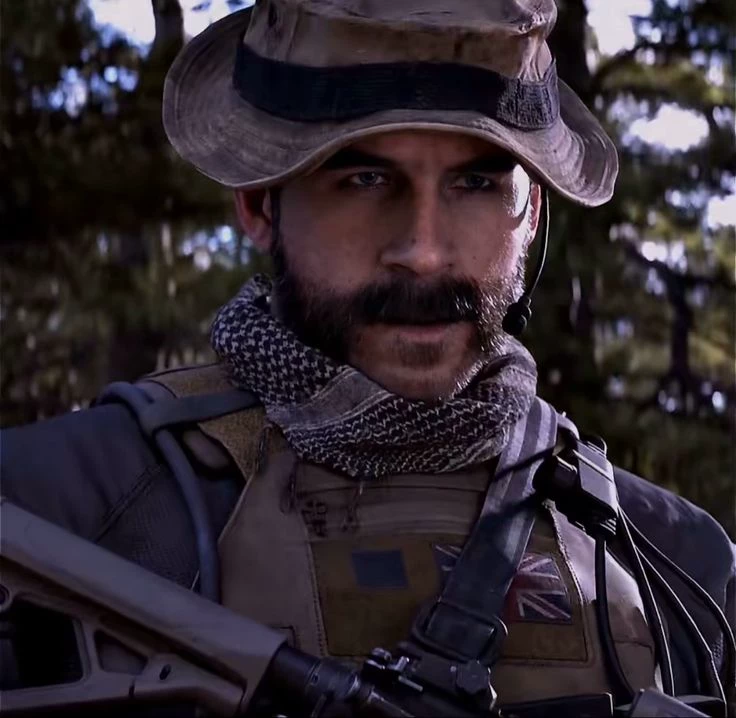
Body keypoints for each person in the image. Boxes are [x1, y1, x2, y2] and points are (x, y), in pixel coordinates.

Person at [1, 0, 734, 715]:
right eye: (364, 179)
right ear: (258, 202)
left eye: (477, 182)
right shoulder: (54, 514)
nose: (424, 252)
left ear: (533, 210)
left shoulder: (679, 566)